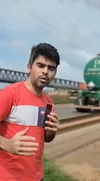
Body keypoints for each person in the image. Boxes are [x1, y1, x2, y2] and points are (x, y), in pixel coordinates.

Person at [0, 43, 61, 181]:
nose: (46, 71)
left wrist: (51, 131)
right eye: (40, 66)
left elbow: (46, 138)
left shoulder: (48, 102)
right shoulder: (9, 94)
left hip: (36, 176)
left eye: (51, 68)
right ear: (29, 67)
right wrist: (6, 144)